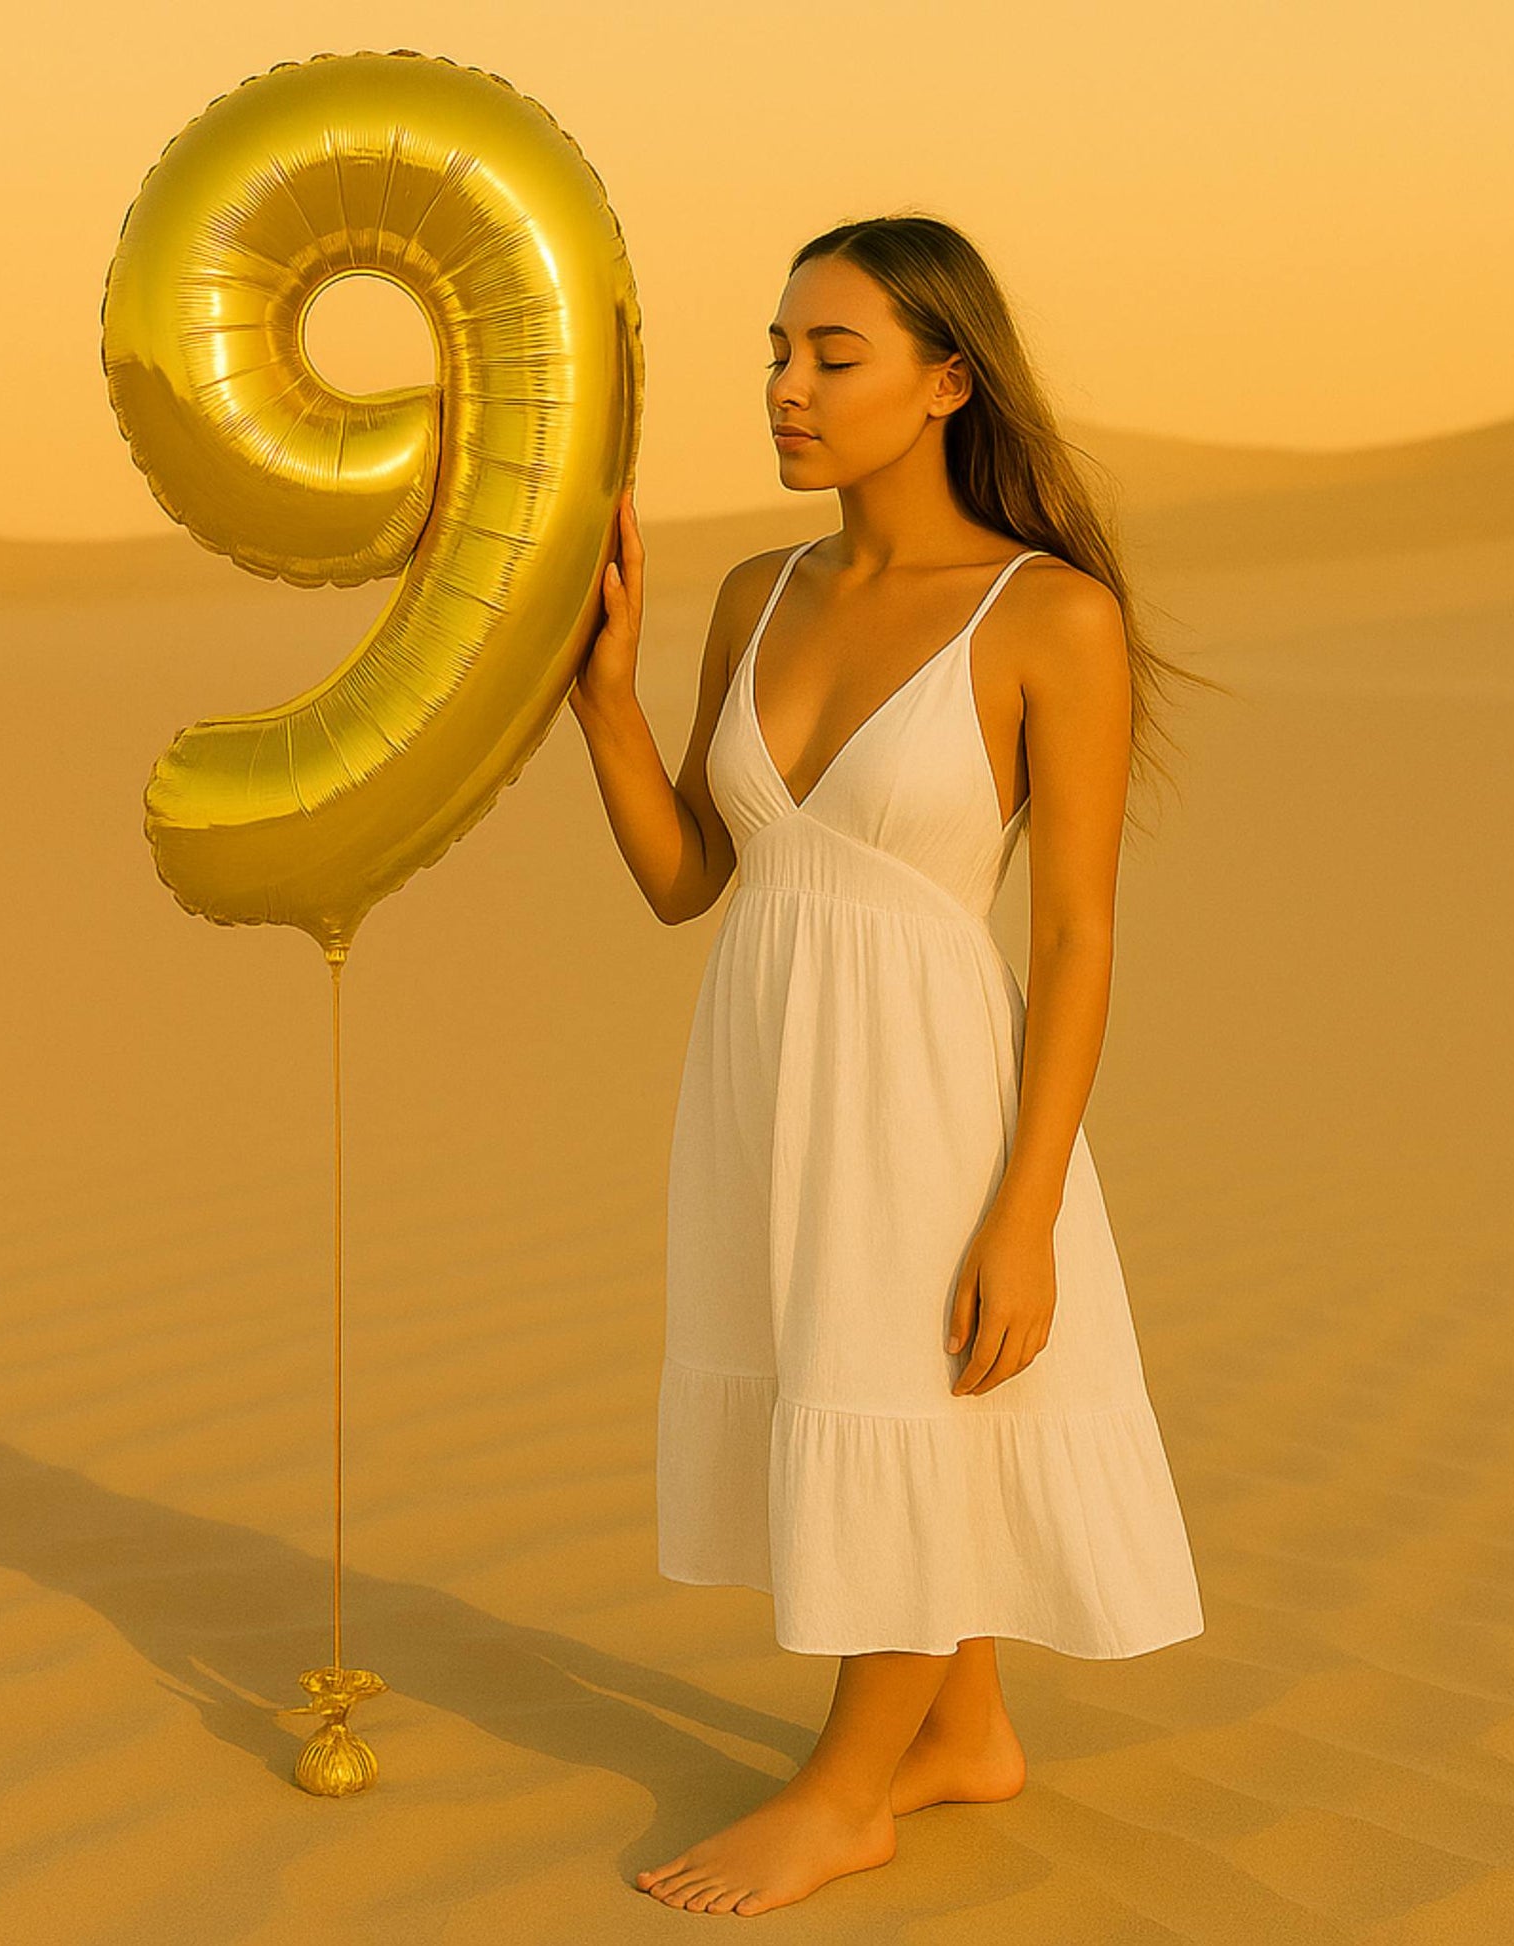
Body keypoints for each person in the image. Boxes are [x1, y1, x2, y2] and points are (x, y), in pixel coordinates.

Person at [570, 213, 1212, 1918]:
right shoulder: (754, 592)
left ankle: (847, 1786)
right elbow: (694, 881)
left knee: (903, 1387)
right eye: (774, 352)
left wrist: (1026, 1214)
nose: (783, 388)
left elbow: (1074, 937)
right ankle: (963, 1729)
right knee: (855, 1379)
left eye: (828, 355)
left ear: (945, 380)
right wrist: (607, 704)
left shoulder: (1045, 616)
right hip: (769, 1070)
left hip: (929, 1088)